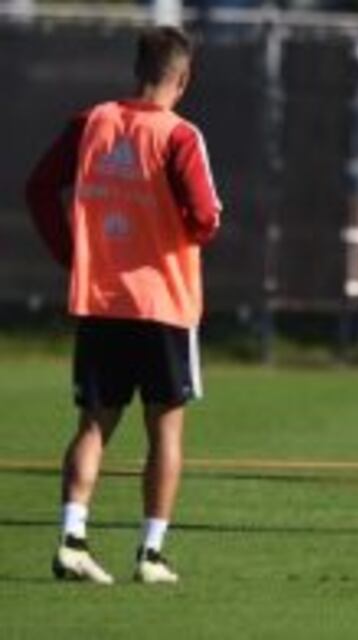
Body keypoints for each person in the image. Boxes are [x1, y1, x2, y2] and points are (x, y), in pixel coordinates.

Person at [25, 26, 222, 584]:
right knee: (166, 432)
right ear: (182, 79)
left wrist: (73, 253)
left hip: (100, 298)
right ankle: (151, 553)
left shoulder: (92, 123)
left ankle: (72, 539)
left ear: (138, 69)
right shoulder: (181, 136)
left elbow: (39, 188)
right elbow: (206, 217)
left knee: (93, 424)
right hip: (162, 302)